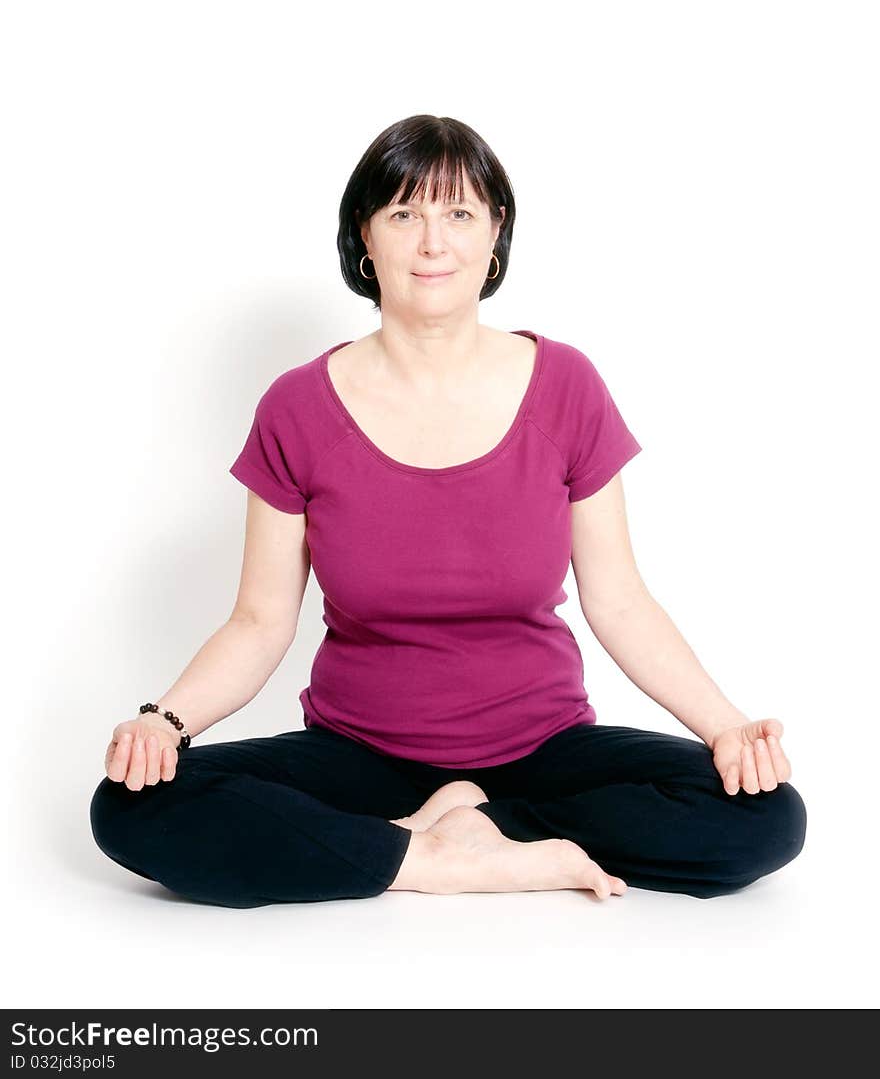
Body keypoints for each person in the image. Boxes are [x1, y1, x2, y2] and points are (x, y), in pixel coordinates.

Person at [89, 113, 807, 908]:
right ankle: (429, 856)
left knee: (768, 818)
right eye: (404, 213)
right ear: (365, 236)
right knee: (129, 804)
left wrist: (726, 727)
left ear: (496, 232)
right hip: (359, 757)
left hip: (544, 747)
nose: (433, 241)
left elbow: (622, 600)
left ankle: (489, 824)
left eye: (459, 212)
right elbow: (259, 622)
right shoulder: (296, 408)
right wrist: (166, 720)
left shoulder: (565, 387)